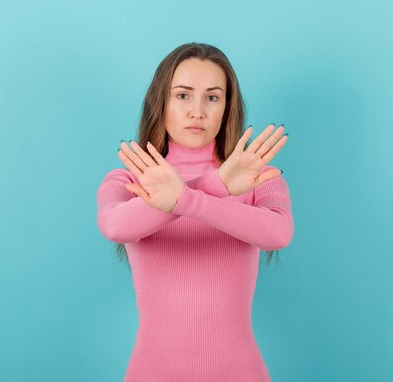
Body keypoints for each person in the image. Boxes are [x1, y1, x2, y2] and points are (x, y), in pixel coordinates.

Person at [96, 43, 294, 381]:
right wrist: (217, 186)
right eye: (183, 95)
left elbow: (278, 233)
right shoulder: (128, 179)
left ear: (227, 107)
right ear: (161, 102)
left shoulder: (257, 177)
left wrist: (188, 198)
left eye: (212, 97)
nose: (197, 111)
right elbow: (116, 226)